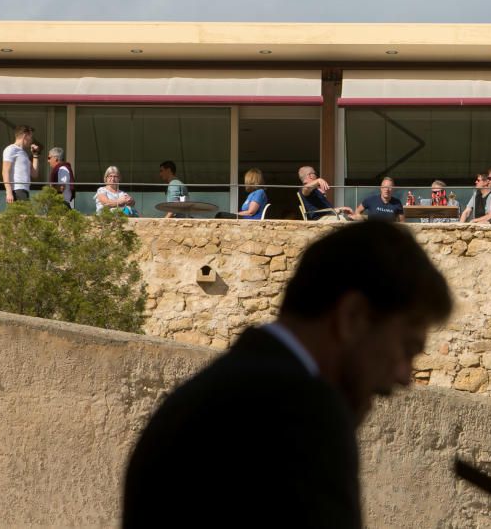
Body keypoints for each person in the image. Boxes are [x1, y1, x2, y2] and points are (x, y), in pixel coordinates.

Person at [123, 221, 453, 527]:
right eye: (407, 348)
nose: (404, 376)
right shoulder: (305, 414)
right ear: (353, 317)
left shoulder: (216, 392)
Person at [2, 125, 40, 203]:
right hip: (16, 190)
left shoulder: (24, 154)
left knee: (25, 214)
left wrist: (35, 155)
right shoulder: (11, 149)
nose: (31, 140)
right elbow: (5, 171)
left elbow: (34, 174)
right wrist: (9, 192)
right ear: (25, 136)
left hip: (24, 190)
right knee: (25, 214)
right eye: (31, 137)